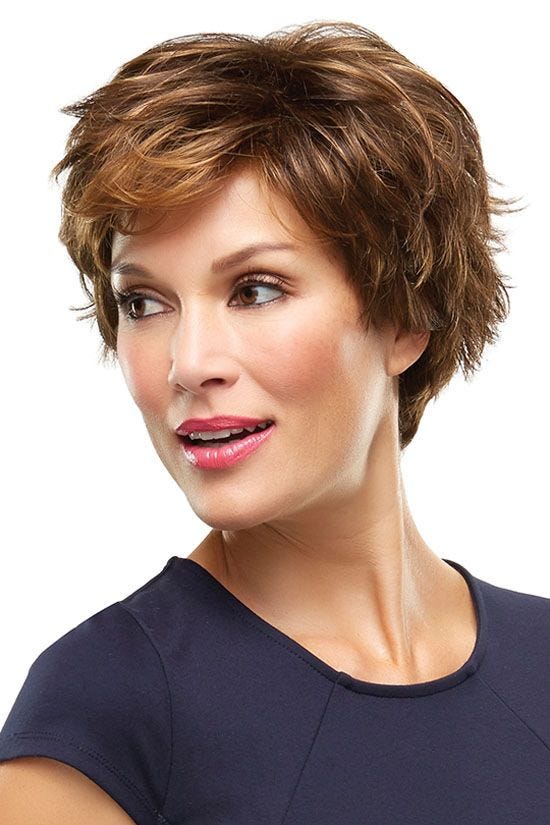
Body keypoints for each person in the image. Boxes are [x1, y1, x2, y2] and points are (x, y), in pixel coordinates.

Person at [1, 19, 548, 825]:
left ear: (408, 315)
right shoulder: (103, 713)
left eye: (255, 289)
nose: (188, 362)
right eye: (143, 302)